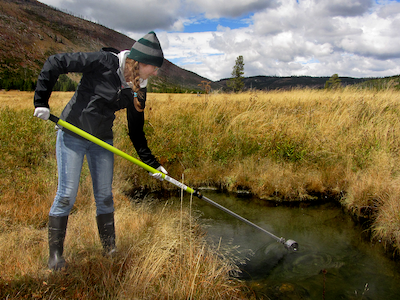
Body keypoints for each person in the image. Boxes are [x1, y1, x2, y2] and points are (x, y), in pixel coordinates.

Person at [33, 31, 168, 270]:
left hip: (102, 141)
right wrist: (41, 101)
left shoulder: (139, 88)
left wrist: (152, 164)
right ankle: (55, 257)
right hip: (73, 133)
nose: (156, 73)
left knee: (105, 196)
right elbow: (55, 62)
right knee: (66, 195)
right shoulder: (103, 62)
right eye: (154, 67)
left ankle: (110, 249)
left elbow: (136, 130)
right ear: (140, 63)